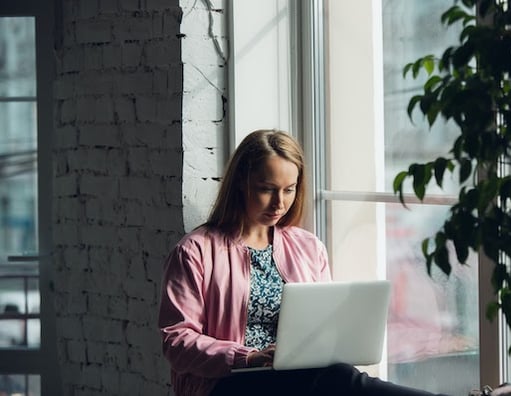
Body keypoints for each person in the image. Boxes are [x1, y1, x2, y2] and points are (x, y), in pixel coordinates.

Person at [158, 129, 450, 396]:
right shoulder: (195, 251)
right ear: (240, 185)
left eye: (289, 189)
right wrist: (247, 356)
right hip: (226, 382)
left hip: (300, 376)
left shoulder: (308, 247)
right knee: (337, 380)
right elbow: (176, 340)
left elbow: (325, 325)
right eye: (266, 189)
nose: (279, 203)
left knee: (333, 377)